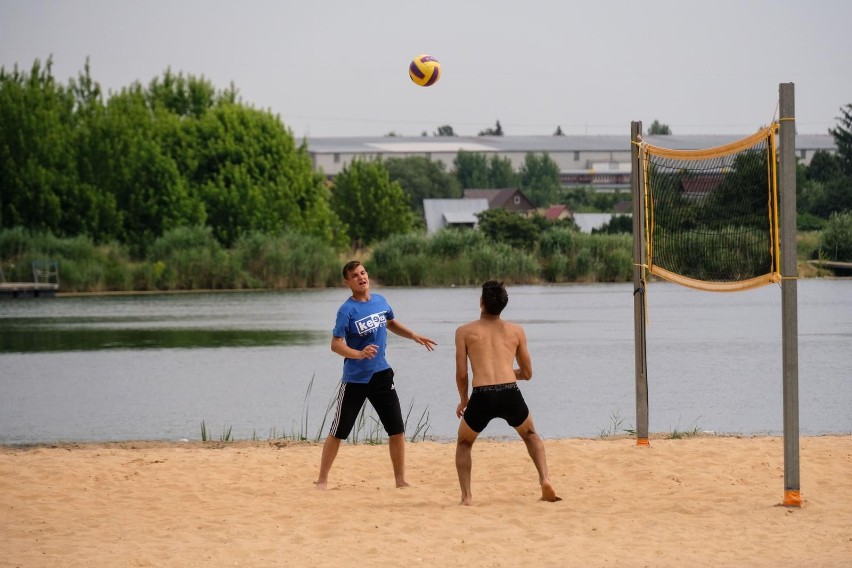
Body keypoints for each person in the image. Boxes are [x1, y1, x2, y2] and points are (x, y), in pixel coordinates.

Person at [315, 260, 437, 490]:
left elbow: (390, 322)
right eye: (355, 276)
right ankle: (322, 479)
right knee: (338, 431)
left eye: (363, 273)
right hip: (355, 379)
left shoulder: (381, 302)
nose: (361, 277)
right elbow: (336, 344)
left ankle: (400, 480)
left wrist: (413, 336)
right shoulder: (346, 310)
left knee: (397, 429)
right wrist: (358, 354)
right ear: (347, 282)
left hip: (382, 375)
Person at [454, 280, 560, 505]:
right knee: (531, 435)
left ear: (481, 302)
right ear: (503, 304)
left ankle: (467, 497)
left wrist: (463, 401)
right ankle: (545, 480)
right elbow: (528, 373)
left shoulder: (464, 332)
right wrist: (505, 373)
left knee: (464, 442)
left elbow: (462, 374)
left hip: (482, 394)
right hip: (510, 392)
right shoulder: (516, 331)